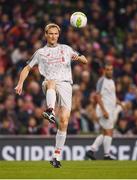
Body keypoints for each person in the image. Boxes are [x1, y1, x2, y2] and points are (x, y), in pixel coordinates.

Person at [15, 23, 87, 167]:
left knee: (65, 121)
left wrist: (78, 58)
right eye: (50, 33)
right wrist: (20, 83)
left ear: (58, 35)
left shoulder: (66, 49)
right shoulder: (40, 52)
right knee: (51, 81)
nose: (53, 36)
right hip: (49, 84)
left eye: (55, 33)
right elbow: (27, 68)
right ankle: (50, 110)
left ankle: (56, 156)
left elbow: (85, 60)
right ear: (46, 35)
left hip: (66, 84)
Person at [85, 62, 126, 160]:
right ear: (104, 70)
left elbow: (112, 96)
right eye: (108, 69)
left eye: (111, 69)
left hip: (110, 109)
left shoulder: (112, 81)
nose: (110, 71)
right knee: (109, 132)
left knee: (104, 132)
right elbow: (97, 96)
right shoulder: (101, 81)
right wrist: (104, 111)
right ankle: (106, 155)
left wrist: (119, 103)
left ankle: (91, 150)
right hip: (104, 109)